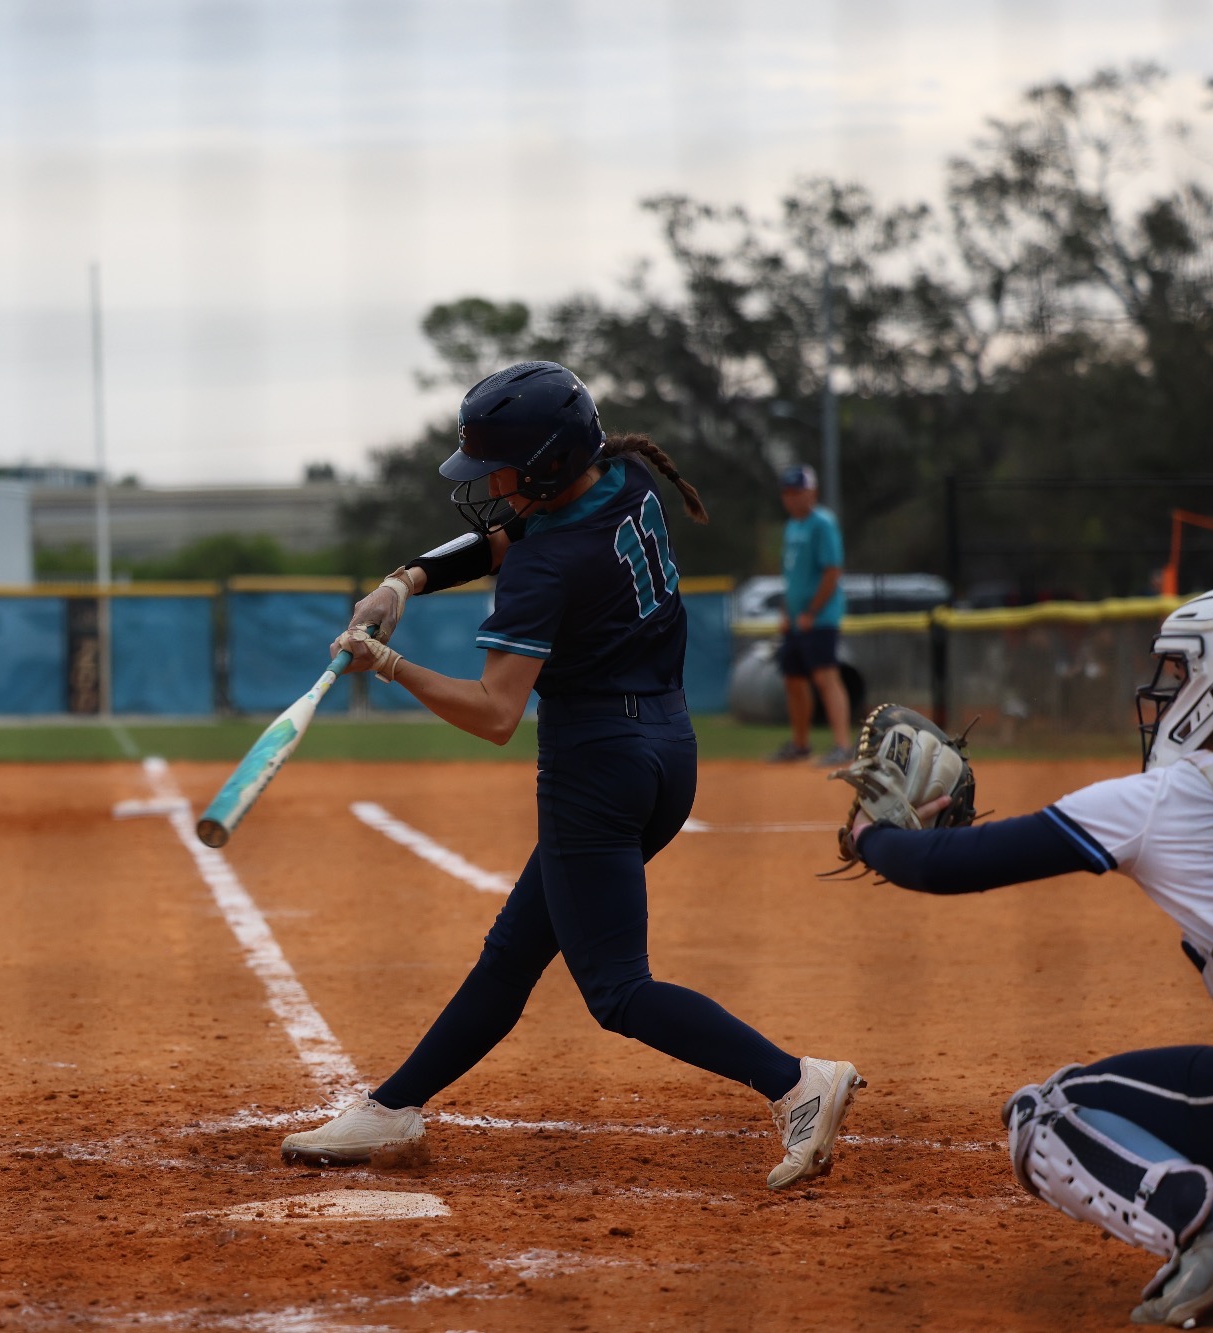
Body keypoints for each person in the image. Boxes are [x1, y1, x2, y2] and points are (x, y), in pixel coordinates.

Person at [279, 361, 863, 1190]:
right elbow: (503, 538)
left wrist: (391, 665)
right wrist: (402, 581)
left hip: (594, 768)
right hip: (666, 751)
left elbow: (495, 712)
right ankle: (392, 1106)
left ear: (548, 465)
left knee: (618, 989)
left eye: (500, 469)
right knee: (513, 953)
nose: (488, 485)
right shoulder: (624, 480)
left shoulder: (546, 564)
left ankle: (798, 1081)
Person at [850, 585, 1213, 1326]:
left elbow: (951, 865)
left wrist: (872, 833)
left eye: (1184, 674)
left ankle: (1212, 1225)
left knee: (1048, 1112)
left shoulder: (1172, 798)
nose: (1167, 694)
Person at [772, 464, 854, 766]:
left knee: (825, 677)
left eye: (798, 491)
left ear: (812, 492)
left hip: (820, 618)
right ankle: (800, 744)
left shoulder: (822, 523)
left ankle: (843, 745)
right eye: (788, 492)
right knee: (793, 679)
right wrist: (786, 612)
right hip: (796, 620)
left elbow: (832, 571)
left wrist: (811, 611)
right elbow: (791, 577)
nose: (792, 498)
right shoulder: (791, 527)